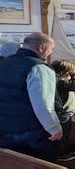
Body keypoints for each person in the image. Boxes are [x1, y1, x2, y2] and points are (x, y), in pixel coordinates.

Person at [0, 33, 62, 161]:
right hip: (31, 133)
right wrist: (54, 128)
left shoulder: (5, 63)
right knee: (40, 168)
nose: (51, 52)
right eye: (51, 48)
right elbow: (43, 104)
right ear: (42, 47)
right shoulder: (38, 67)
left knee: (12, 166)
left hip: (5, 128)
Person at [51, 60, 75, 162]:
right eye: (70, 74)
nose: (70, 76)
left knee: (67, 132)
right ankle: (59, 153)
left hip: (67, 112)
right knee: (63, 133)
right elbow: (74, 86)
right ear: (63, 73)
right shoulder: (59, 82)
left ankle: (65, 148)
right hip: (63, 113)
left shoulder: (61, 82)